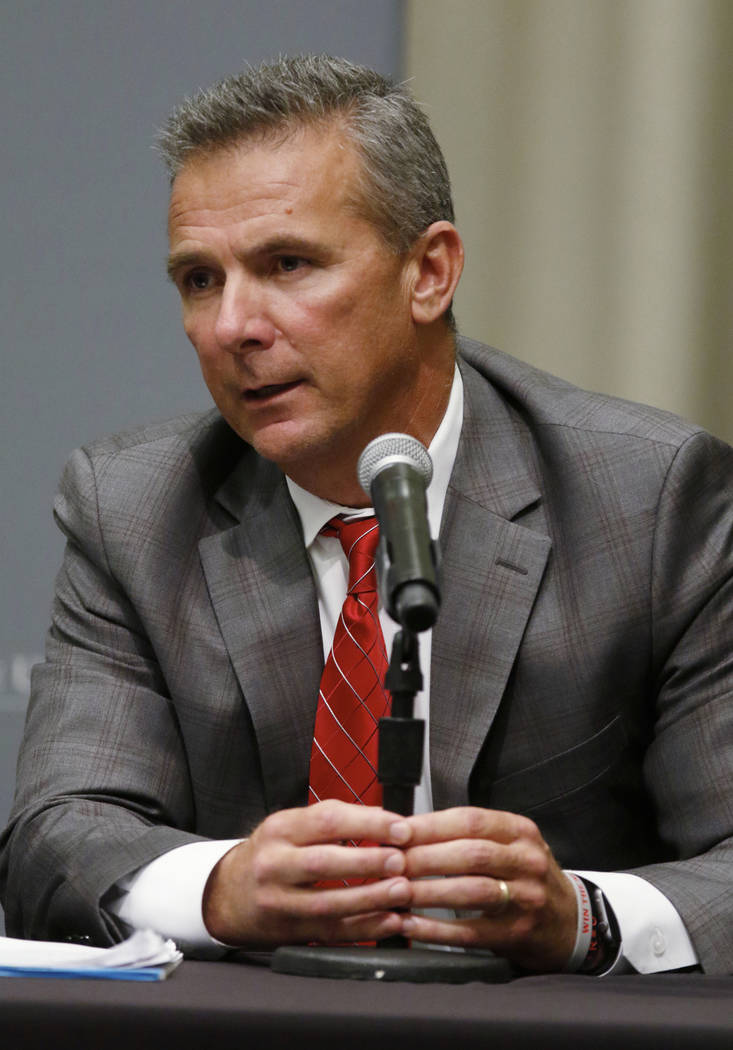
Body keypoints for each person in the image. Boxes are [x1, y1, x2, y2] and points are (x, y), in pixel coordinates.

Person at [1, 55, 731, 976]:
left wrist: (582, 917)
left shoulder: (648, 501)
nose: (232, 326)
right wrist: (222, 888)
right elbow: (57, 834)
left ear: (429, 272)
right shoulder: (135, 509)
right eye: (199, 279)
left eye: (287, 264)